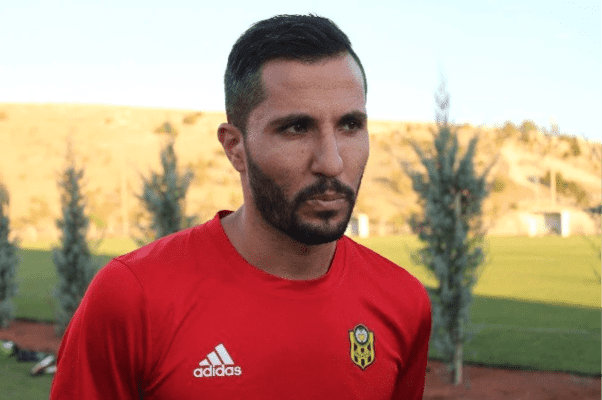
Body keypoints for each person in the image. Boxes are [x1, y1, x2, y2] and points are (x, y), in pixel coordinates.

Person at [50, 14, 432, 399]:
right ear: (235, 147)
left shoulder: (404, 302)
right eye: (297, 128)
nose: (331, 162)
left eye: (350, 126)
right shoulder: (133, 298)